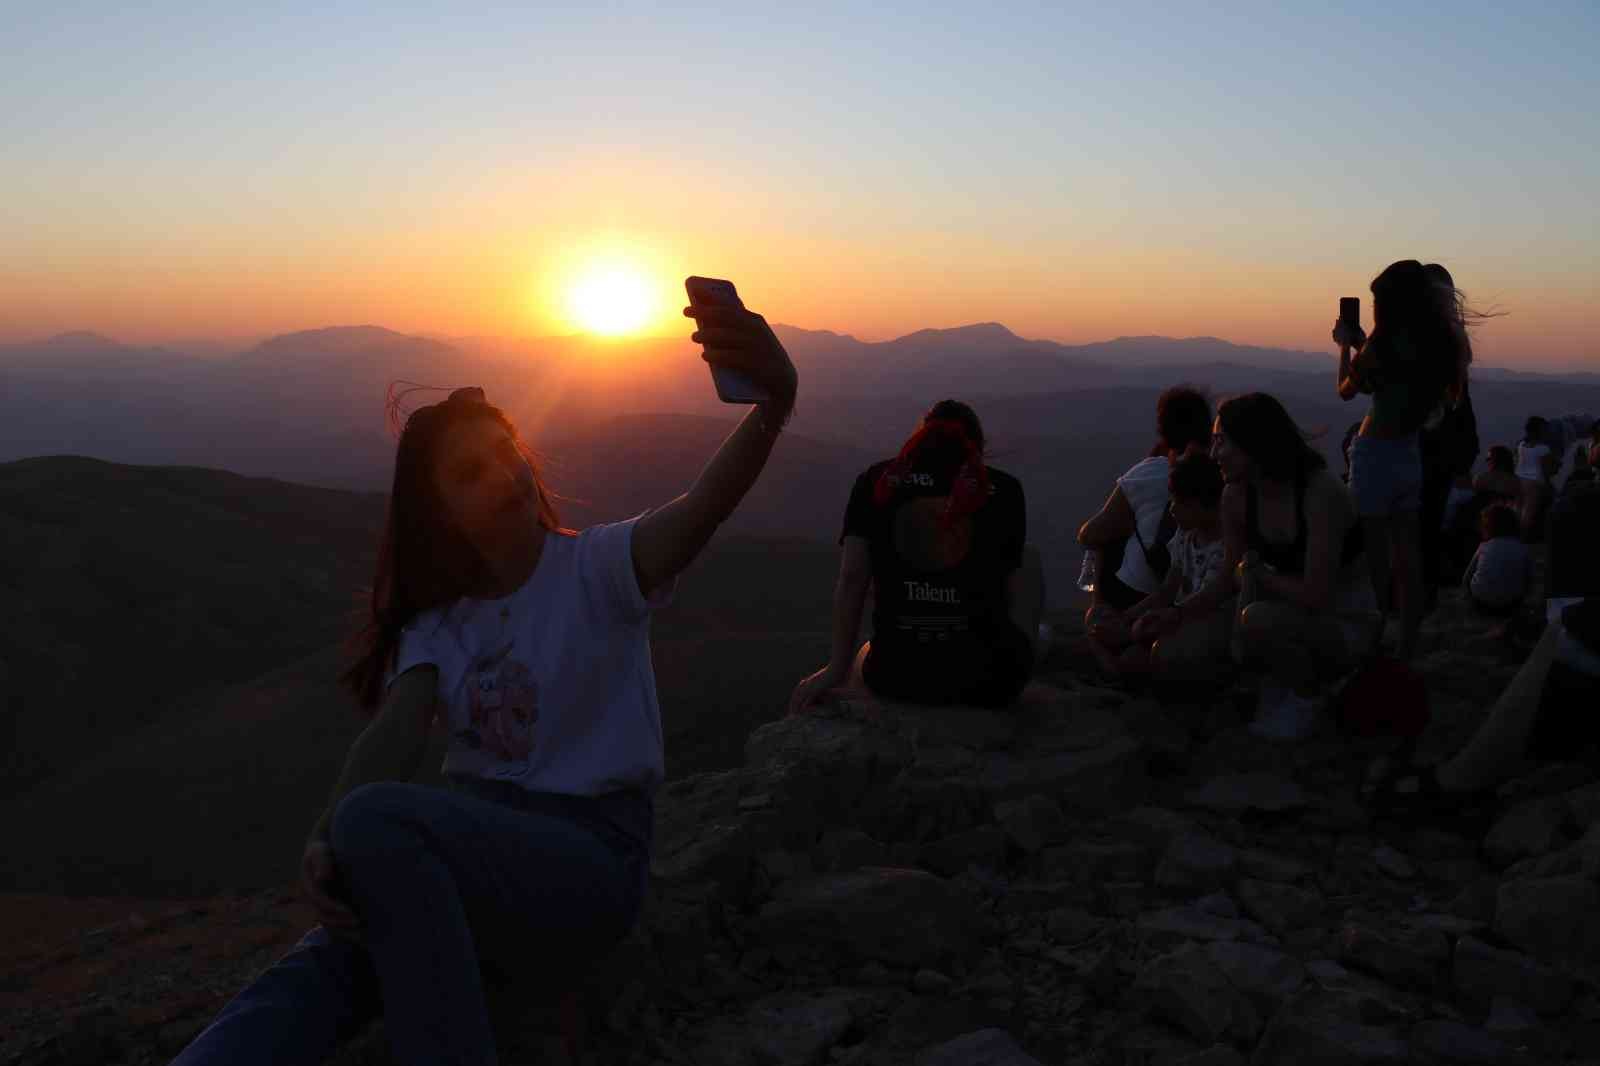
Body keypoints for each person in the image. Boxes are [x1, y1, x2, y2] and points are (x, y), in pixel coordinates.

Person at [171, 296, 799, 1066]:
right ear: (442, 516)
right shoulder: (441, 624)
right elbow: (395, 733)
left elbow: (701, 510)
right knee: (326, 960)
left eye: (506, 450)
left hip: (589, 862)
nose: (503, 473)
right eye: (471, 472)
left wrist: (775, 405)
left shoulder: (596, 571)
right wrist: (324, 836)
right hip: (470, 855)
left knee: (376, 834)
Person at [789, 400, 1042, 713]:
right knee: (1027, 559)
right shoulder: (1004, 488)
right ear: (978, 446)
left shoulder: (876, 481)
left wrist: (835, 668)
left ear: (921, 436)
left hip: (896, 676)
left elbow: (853, 577)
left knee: (865, 653)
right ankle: (1023, 657)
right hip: (988, 679)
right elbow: (1015, 580)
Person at [1182, 393, 1374, 740]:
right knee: (1182, 649)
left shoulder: (1319, 494)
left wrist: (1259, 576)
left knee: (1255, 620)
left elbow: (1318, 595)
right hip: (1286, 615)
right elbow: (1227, 578)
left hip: (1345, 622)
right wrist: (1174, 614)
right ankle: (1276, 684)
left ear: (1254, 443)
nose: (1213, 454)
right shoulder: (1238, 496)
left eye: (1221, 442)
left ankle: (1308, 697)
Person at [1334, 260, 1471, 662]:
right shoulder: (1444, 345)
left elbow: (1347, 391)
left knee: (1375, 556)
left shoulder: (1383, 344)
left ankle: (1374, 635)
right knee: (1407, 555)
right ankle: (1408, 641)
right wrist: (1365, 345)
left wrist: (1346, 345)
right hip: (1409, 452)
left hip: (1374, 452)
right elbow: (1401, 377)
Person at [1086, 452, 1232, 682]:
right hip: (1174, 617)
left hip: (1201, 625)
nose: (1171, 509)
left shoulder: (1222, 548)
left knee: (1142, 655)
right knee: (1108, 630)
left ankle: (1117, 672)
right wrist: (1127, 617)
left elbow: (1205, 604)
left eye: (1179, 502)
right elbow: (1167, 590)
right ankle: (1118, 668)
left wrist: (1132, 631)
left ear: (1203, 505)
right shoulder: (1185, 535)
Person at [1077, 385, 1214, 617]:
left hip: (1138, 592)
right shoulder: (1220, 469)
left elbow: (1089, 535)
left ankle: (1099, 616)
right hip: (1193, 588)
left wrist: (1128, 524)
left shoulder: (1150, 471)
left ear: (1163, 430)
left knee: (1107, 538)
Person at [1462, 503, 1534, 616]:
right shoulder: (1522, 548)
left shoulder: (1484, 547)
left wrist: (1467, 597)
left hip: (1481, 603)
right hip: (1511, 604)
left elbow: (1466, 577)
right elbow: (1529, 580)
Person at [1516, 415, 1560, 540]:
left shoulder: (1522, 445)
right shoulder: (1543, 449)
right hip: (1535, 484)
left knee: (1519, 511)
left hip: (1519, 481)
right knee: (1530, 515)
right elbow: (1547, 471)